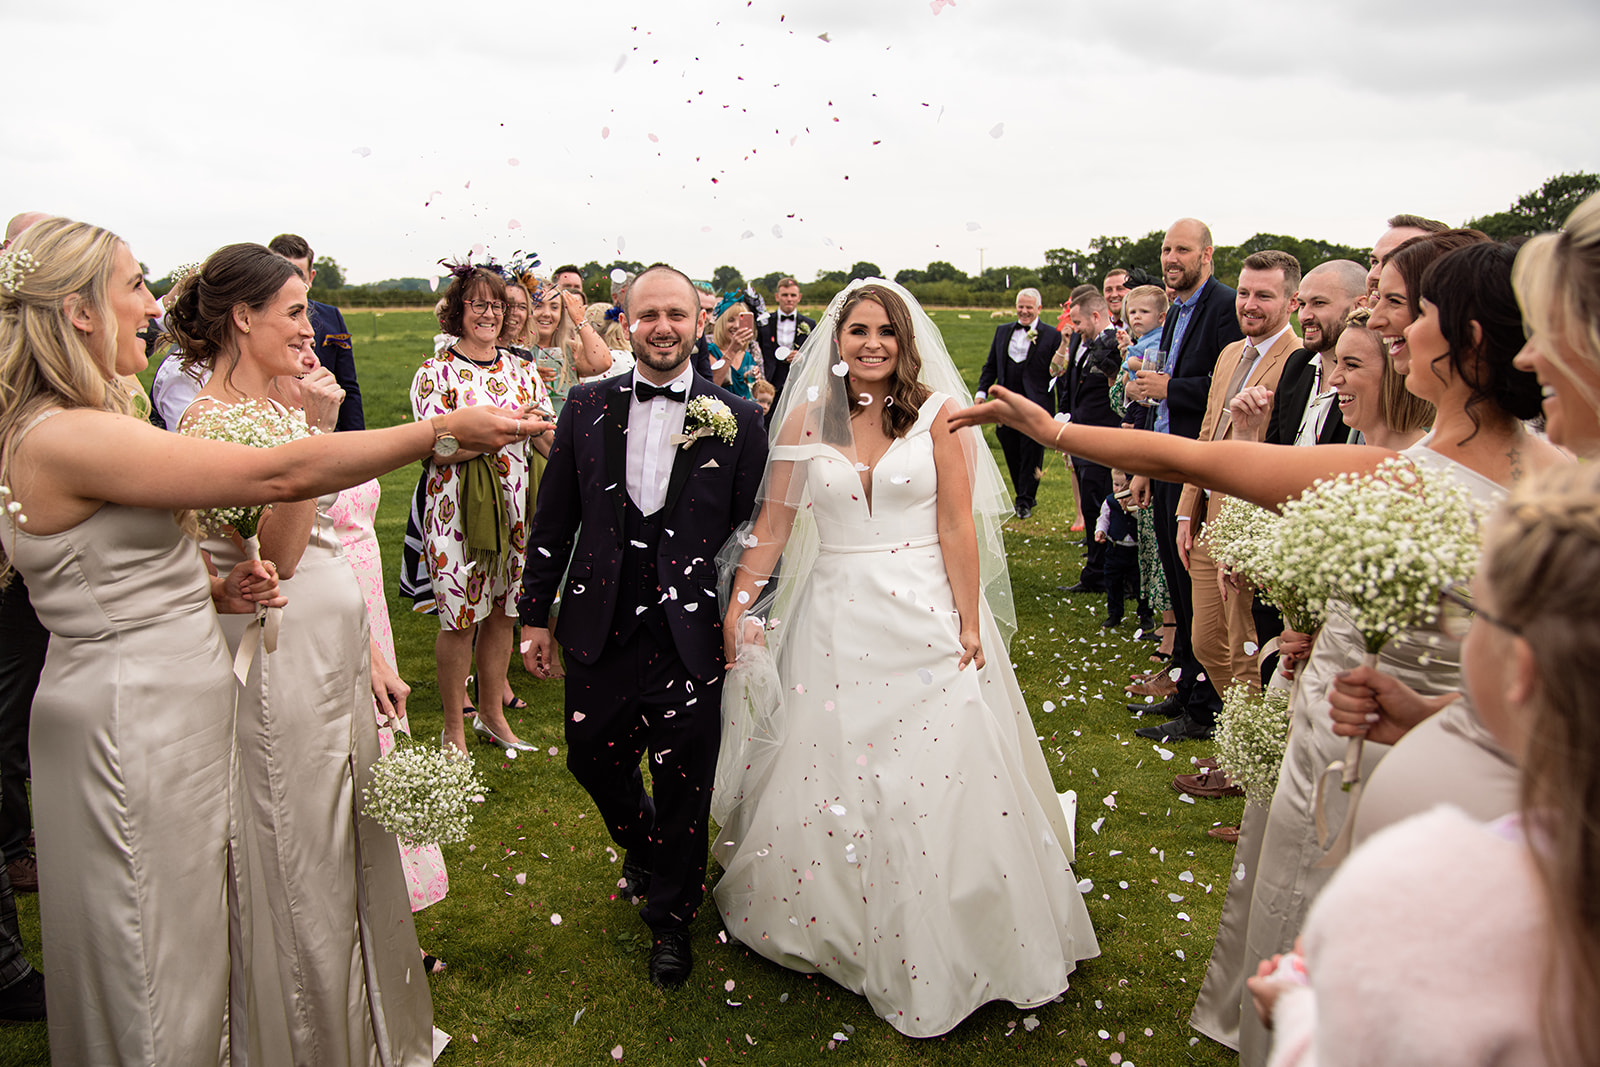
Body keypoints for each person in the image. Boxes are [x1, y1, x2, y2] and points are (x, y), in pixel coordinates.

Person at [949, 235, 1565, 1065]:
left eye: (1411, 314)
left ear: (1469, 342)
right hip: (1407, 745)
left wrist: (1056, 430)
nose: (1389, 331)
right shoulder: (1551, 476)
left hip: (1393, 770)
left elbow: (1204, 458)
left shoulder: (1404, 480)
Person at [0, 216, 534, 1064]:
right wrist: (442, 432)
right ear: (75, 311)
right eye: (134, 284)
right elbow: (278, 476)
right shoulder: (66, 433)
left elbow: (127, 559)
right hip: (127, 716)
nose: (151, 303)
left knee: (190, 939)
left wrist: (214, 584)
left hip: (167, 697)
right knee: (152, 952)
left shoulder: (89, 420)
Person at [712, 279, 1099, 1038]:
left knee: (940, 764)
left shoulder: (938, 416)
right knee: (835, 759)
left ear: (905, 341)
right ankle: (836, 921)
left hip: (923, 611)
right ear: (837, 340)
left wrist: (968, 618)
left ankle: (958, 927)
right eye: (857, 330)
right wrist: (740, 601)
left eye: (884, 332)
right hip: (834, 616)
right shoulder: (803, 418)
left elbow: (956, 522)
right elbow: (775, 523)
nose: (871, 344)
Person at [170, 240, 438, 1064]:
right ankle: (311, 1035)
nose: (309, 328)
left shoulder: (285, 404)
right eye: (294, 312)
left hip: (330, 648)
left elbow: (333, 555)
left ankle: (373, 1024)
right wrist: (315, 439)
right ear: (241, 318)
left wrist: (371, 656)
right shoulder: (203, 423)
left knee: (352, 832)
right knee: (297, 838)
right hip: (272, 656)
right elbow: (278, 561)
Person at [1249, 461, 1600, 1066]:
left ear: (1522, 667)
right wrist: (1428, 713)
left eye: (1474, 617)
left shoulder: (1450, 887)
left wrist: (1297, 1008)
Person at [518, 264, 768, 989]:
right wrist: (536, 613)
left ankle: (671, 918)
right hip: (598, 620)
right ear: (625, 321)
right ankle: (655, 847)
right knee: (591, 757)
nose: (662, 326)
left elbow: (757, 532)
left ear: (699, 322)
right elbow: (554, 517)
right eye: (647, 313)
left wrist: (746, 614)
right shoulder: (584, 406)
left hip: (691, 636)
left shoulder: (739, 419)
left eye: (677, 315)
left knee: (685, 774)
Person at [1161, 250, 1303, 742]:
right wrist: (1185, 511)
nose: (1250, 304)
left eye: (1265, 295)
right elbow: (1205, 435)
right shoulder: (1229, 355)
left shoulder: (1298, 363)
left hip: (1247, 526)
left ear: (1291, 301)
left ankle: (1250, 753)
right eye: (1244, 292)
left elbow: (1286, 451)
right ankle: (1246, 735)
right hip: (1204, 521)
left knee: (1244, 646)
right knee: (1204, 641)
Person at [411, 265, 544, 755]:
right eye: (478, 304)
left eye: (497, 306)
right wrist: (507, 428)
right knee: (460, 619)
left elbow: (545, 431)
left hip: (514, 507)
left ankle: (493, 716)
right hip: (455, 513)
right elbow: (434, 448)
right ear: (457, 311)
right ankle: (454, 728)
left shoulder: (522, 369)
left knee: (505, 613)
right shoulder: (435, 372)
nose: (489, 314)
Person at [1124, 219, 1244, 744]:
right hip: (1167, 461)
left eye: (1182, 249)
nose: (1172, 258)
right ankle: (1185, 684)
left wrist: (1171, 387)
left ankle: (1206, 707)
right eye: (1167, 249)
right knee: (1177, 580)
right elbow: (1160, 393)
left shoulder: (1222, 307)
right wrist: (1146, 467)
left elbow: (1225, 386)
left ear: (1207, 254)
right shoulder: (1174, 312)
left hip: (1201, 462)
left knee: (1198, 591)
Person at [1259, 259, 1368, 447]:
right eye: (1302, 304)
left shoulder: (1371, 376)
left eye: (1319, 303)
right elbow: (1275, 448)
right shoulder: (1297, 364)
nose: (1304, 316)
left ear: (1359, 305)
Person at [1055, 287, 1122, 587]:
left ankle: (1104, 574)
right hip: (1081, 435)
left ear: (1096, 316)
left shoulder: (1114, 345)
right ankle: (1094, 570)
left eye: (1079, 323)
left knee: (1100, 505)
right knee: (1090, 506)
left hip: (1102, 438)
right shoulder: (1085, 344)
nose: (1076, 329)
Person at [266, 233, 365, 431]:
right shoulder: (264, 322)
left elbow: (348, 386)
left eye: (297, 276)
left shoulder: (331, 317)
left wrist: (355, 439)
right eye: (281, 275)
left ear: (310, 278)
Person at [976, 287, 1059, 519]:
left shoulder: (1052, 335)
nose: (1024, 311)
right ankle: (1022, 493)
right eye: (1020, 307)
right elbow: (991, 364)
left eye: (1029, 307)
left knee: (1032, 451)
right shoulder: (1002, 331)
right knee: (1011, 449)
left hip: (1036, 405)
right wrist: (982, 391)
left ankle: (1024, 501)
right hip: (1006, 406)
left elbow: (1057, 372)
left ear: (1039, 309)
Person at [755, 276, 813, 412]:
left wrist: (802, 357)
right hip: (769, 380)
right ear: (777, 297)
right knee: (765, 423)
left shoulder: (809, 324)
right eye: (785, 295)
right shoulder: (764, 322)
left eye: (793, 295)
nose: (789, 299)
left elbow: (815, 353)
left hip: (797, 381)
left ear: (799, 297)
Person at [1097, 469, 1140, 628]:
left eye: (1124, 486)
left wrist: (1132, 505)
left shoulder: (1140, 502)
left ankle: (1145, 614)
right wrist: (1100, 531)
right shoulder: (1109, 501)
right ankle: (1114, 614)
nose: (1120, 490)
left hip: (1135, 549)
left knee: (1139, 583)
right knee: (1113, 582)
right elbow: (1103, 519)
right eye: (1116, 485)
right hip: (1115, 549)